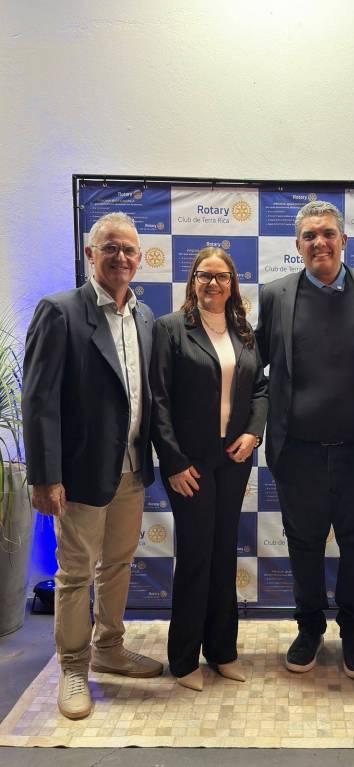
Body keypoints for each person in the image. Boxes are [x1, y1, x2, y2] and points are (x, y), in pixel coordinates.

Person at [22, 212, 163, 720]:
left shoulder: (145, 317)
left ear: (139, 258)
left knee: (118, 565)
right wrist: (45, 476)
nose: (121, 257)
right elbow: (39, 400)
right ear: (90, 254)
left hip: (131, 469)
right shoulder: (60, 311)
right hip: (80, 473)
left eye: (129, 249)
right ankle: (73, 667)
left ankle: (109, 648)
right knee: (76, 572)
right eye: (110, 248)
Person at [255, 200, 354, 679]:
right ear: (297, 245)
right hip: (298, 454)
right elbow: (254, 365)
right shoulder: (275, 295)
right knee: (304, 545)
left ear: (344, 240)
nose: (320, 242)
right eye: (310, 236)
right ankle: (309, 628)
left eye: (328, 233)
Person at [150, 247, 267, 692]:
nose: (213, 284)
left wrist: (253, 433)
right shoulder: (171, 329)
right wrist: (174, 462)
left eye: (221, 277)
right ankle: (183, 660)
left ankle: (222, 651)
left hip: (233, 460)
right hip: (190, 465)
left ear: (233, 283)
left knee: (223, 555)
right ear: (193, 281)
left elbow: (261, 388)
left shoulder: (243, 331)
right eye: (204, 275)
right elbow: (159, 400)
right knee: (196, 556)